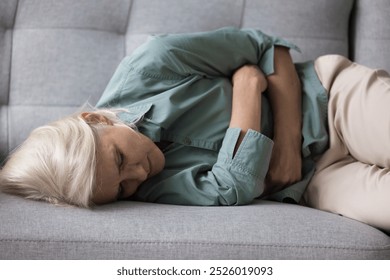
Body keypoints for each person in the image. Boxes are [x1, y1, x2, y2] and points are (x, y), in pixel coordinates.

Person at [0, 27, 389, 232]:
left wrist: (286, 146)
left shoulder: (153, 64)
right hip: (315, 181)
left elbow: (268, 50)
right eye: (120, 188)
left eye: (120, 159)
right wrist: (247, 89)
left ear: (97, 120)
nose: (139, 175)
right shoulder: (146, 191)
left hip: (330, 99)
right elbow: (234, 186)